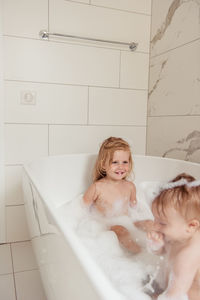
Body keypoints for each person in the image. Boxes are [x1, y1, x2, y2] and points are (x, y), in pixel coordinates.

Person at [83, 136, 141, 254]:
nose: (121, 166)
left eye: (125, 162)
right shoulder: (97, 188)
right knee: (120, 231)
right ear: (103, 164)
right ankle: (139, 253)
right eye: (115, 162)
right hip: (105, 227)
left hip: (126, 223)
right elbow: (82, 209)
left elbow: (135, 209)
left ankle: (147, 250)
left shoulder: (130, 187)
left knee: (148, 226)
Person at [145, 175, 200, 300]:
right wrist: (156, 246)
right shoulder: (178, 232)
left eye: (162, 223)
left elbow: (174, 296)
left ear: (191, 225)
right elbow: (162, 251)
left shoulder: (187, 258)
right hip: (168, 286)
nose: (155, 226)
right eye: (155, 219)